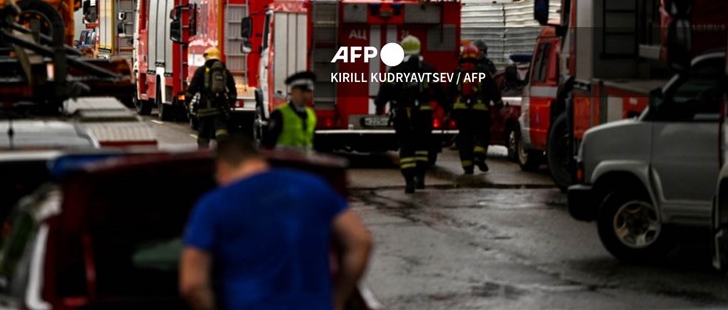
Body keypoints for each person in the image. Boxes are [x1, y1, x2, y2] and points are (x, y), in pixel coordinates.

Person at [179, 134, 373, 310]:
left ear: (222, 168)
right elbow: (360, 241)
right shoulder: (312, 186)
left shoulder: (215, 204)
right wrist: (338, 297)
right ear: (260, 160)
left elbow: (192, 284)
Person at [375, 35, 445, 193]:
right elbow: (440, 92)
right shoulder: (428, 68)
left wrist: (379, 106)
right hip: (424, 115)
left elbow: (385, 91)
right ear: (419, 49)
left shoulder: (396, 69)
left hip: (403, 115)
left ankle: (409, 181)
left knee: (406, 146)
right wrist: (448, 109)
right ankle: (420, 177)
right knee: (422, 147)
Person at [450, 44, 502, 174]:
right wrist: (498, 104)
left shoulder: (458, 72)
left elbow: (449, 91)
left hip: (461, 111)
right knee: (482, 133)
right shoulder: (483, 72)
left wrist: (448, 109)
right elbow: (492, 89)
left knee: (464, 137)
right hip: (480, 111)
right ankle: (479, 155)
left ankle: (467, 165)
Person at [186, 47, 237, 148]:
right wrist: (230, 103)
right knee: (221, 131)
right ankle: (222, 152)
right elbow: (232, 90)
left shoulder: (200, 71)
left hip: (204, 108)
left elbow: (192, 89)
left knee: (203, 135)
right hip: (220, 107)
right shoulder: (224, 71)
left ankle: (203, 155)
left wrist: (187, 102)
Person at [260, 70, 317, 151]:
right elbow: (267, 144)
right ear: (293, 91)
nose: (305, 95)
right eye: (302, 91)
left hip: (305, 163)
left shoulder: (311, 115)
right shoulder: (279, 114)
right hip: (283, 163)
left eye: (309, 91)